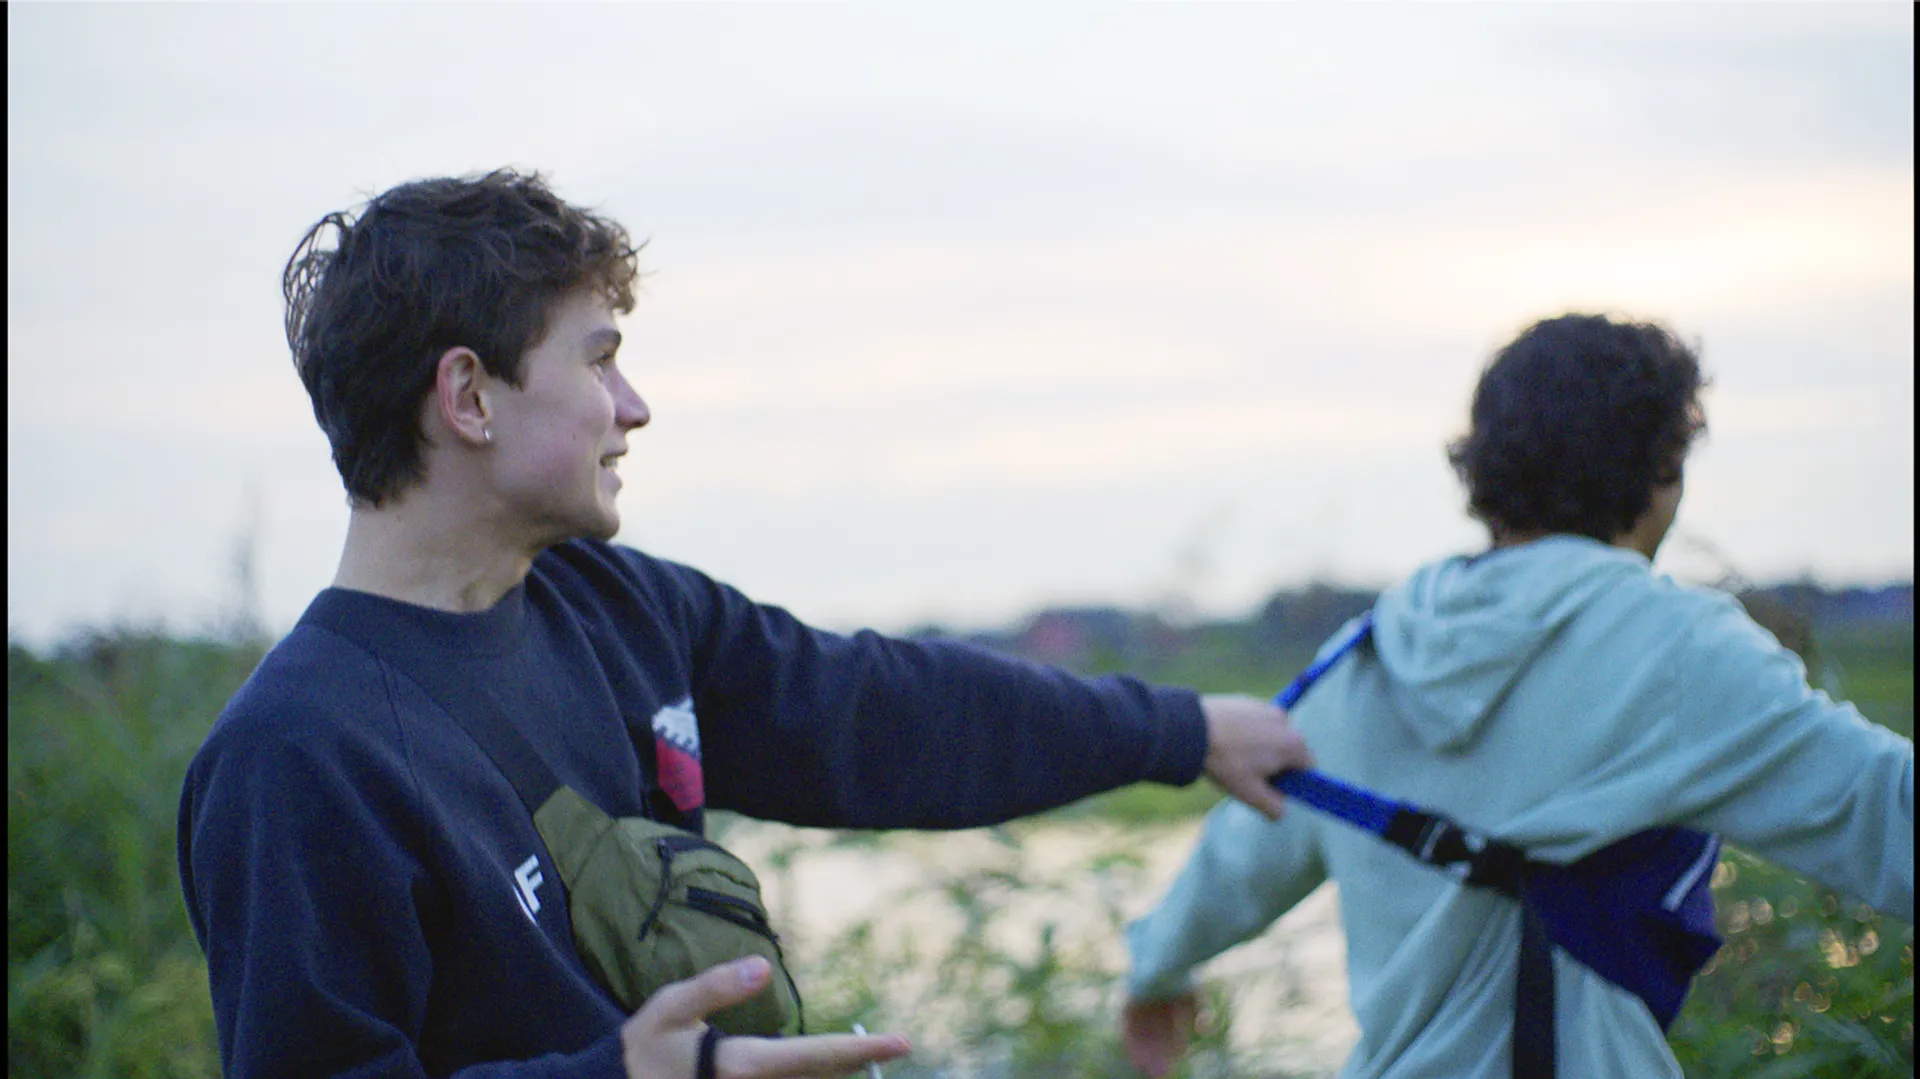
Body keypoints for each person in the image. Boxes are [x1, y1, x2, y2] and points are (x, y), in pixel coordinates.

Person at [174, 168, 1314, 1079]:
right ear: (469, 396)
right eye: (599, 361)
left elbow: (883, 711)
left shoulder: (620, 608)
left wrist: (1180, 730)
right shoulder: (298, 756)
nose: (635, 408)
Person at [1120, 313, 1914, 1079]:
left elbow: (1237, 859)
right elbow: (1885, 814)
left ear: (1484, 466)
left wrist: (1153, 970)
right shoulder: (1677, 650)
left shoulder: (1365, 656)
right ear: (1663, 470)